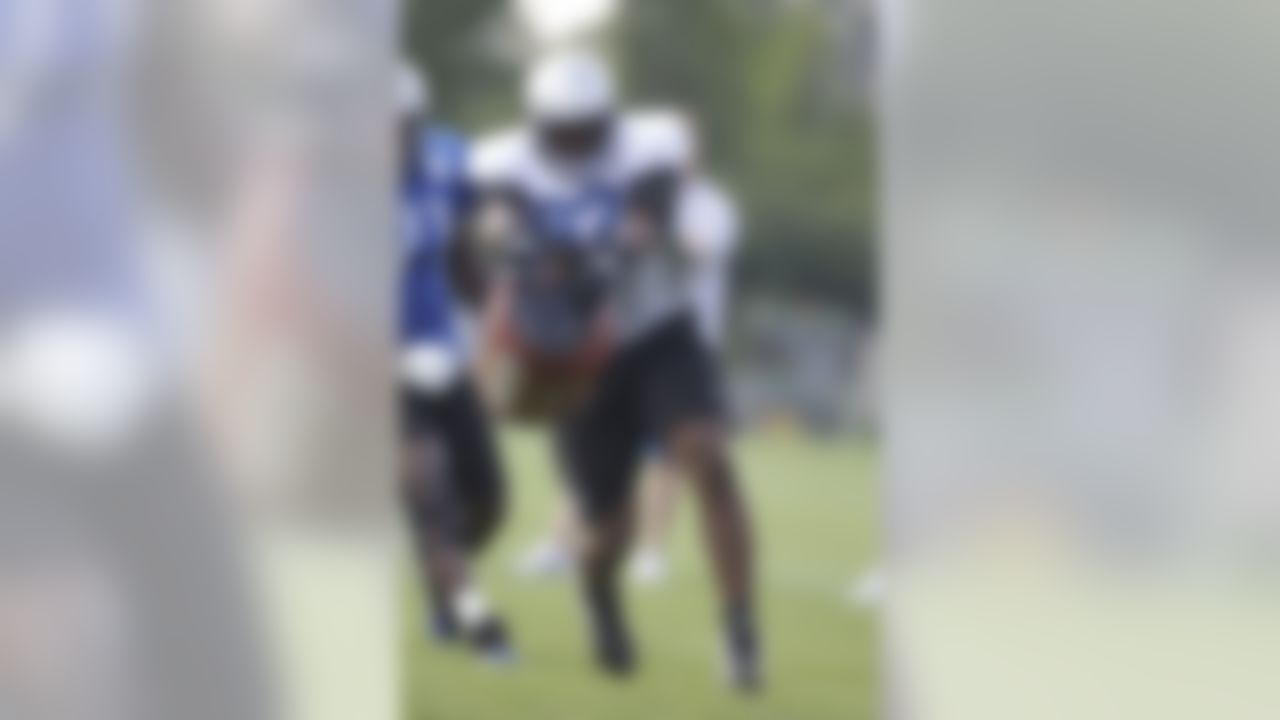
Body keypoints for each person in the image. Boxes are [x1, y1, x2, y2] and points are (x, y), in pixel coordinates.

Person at [470, 49, 761, 690]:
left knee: (706, 453)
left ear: (609, 118)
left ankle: (741, 632)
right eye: (561, 129)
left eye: (587, 128)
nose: (575, 142)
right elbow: (495, 216)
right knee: (609, 526)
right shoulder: (505, 158)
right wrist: (517, 245)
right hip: (578, 354)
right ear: (536, 121)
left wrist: (606, 261)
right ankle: (599, 593)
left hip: (656, 328)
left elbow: (647, 218)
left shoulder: (647, 143)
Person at [396, 61, 512, 663]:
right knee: (433, 500)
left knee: (489, 502)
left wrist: (498, 286)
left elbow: (469, 247)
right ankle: (482, 629)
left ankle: (442, 588)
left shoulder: (444, 160)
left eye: (403, 127)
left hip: (443, 357)